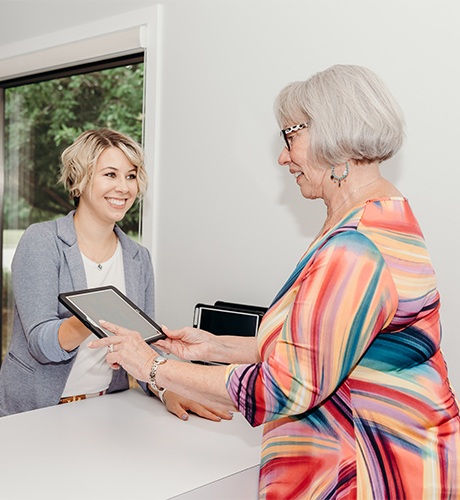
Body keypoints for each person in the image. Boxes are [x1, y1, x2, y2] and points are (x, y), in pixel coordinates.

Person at [89, 66, 460, 498]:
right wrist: (216, 346)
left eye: (290, 136)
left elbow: (285, 387)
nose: (283, 156)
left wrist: (152, 366)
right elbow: (327, 349)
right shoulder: (384, 214)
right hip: (399, 457)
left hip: (365, 472)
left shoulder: (355, 247)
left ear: (331, 134)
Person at [0, 128, 231, 423]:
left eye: (131, 176)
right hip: (35, 414)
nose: (124, 187)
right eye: (110, 174)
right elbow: (41, 344)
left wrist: (167, 391)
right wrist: (91, 316)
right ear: (80, 179)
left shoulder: (138, 258)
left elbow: (143, 348)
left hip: (107, 411)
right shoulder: (42, 242)